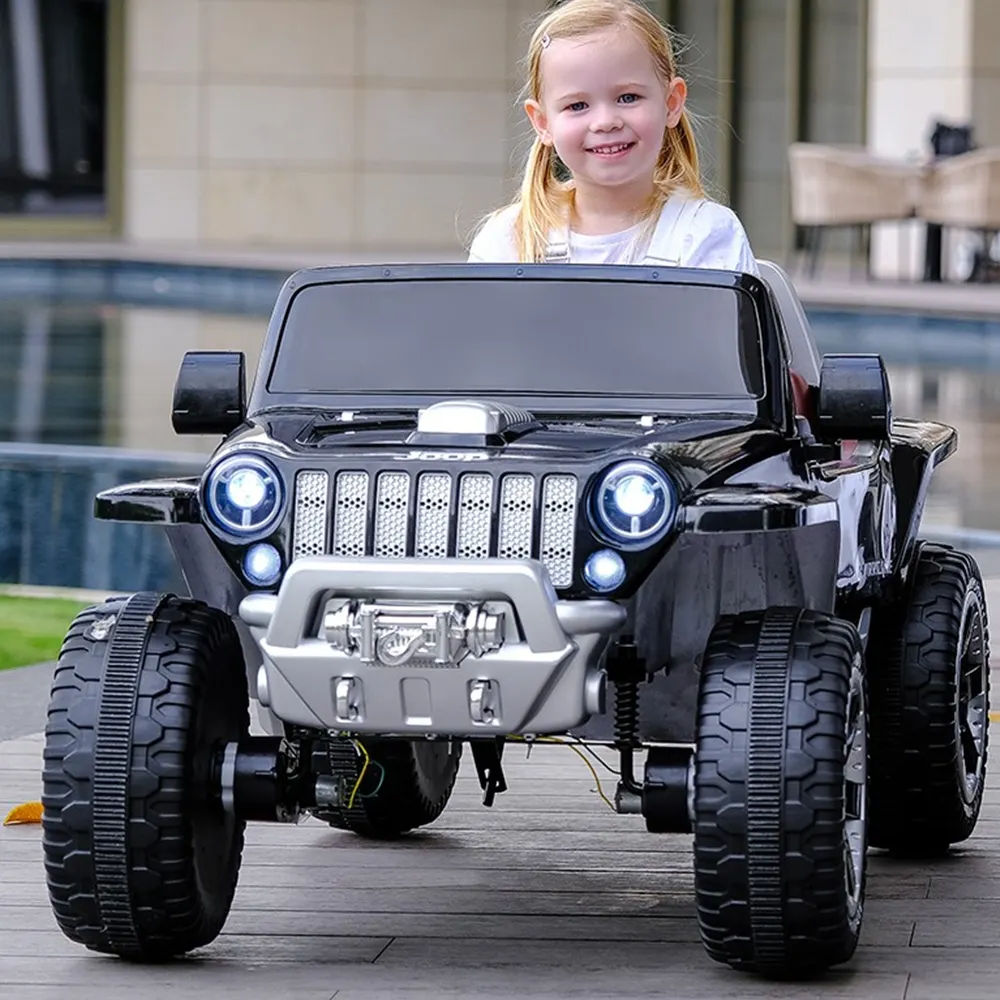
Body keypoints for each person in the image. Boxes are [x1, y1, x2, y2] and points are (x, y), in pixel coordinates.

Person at [467, 0, 759, 274]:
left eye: (628, 97)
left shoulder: (705, 233)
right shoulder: (507, 239)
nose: (605, 122)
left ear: (671, 103)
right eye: (577, 105)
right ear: (542, 122)